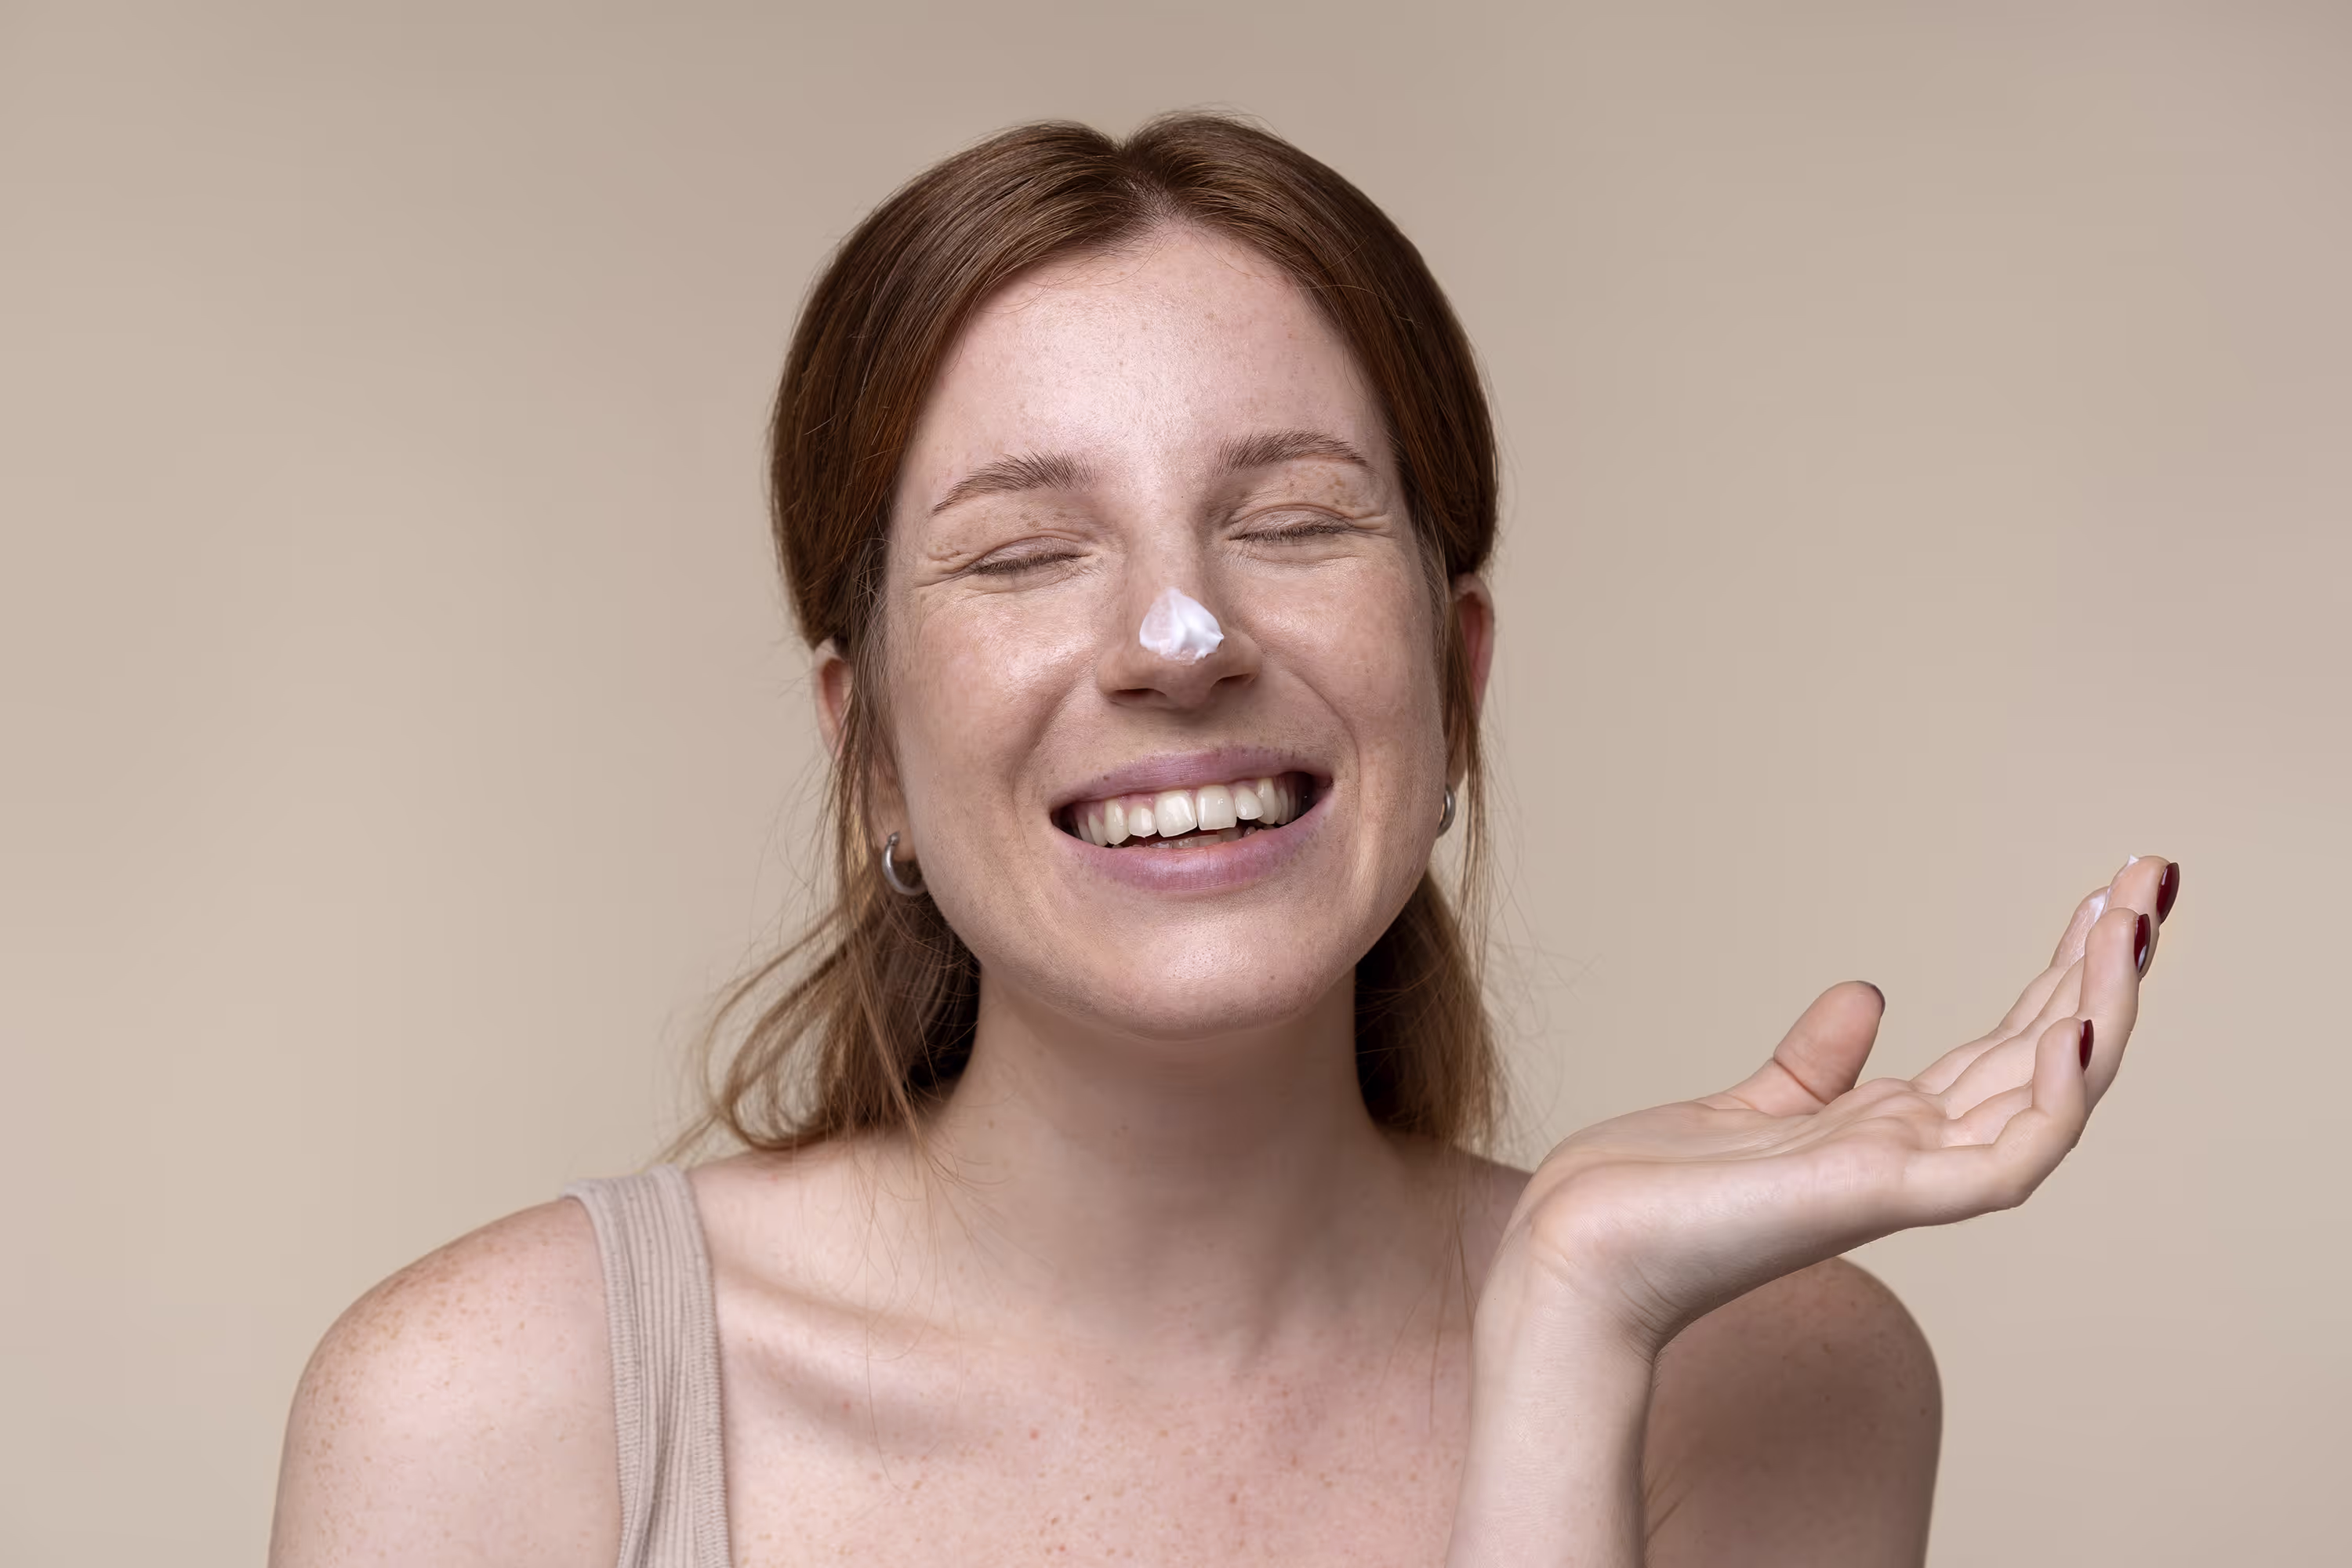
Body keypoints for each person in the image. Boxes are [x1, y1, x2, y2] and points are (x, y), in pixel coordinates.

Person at [267, 114, 2180, 1567]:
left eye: (1293, 522)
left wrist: (1574, 1333)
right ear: (870, 755)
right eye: (1026, 552)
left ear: (1457, 683)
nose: (1178, 642)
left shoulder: (1776, 1379)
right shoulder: (483, 1416)